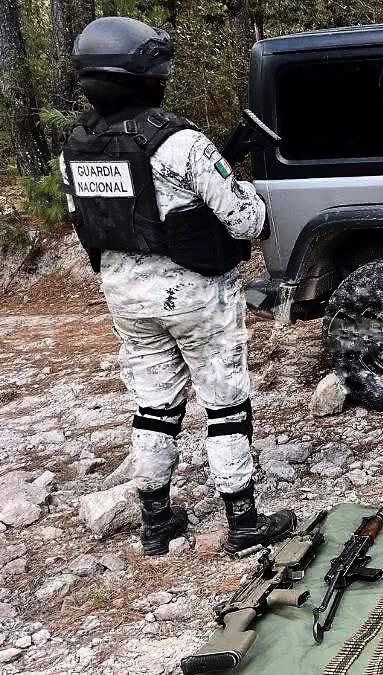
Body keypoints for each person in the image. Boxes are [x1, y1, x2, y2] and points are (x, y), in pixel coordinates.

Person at [61, 16, 295, 555]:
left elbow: (92, 217)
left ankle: (156, 520)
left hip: (125, 293)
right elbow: (245, 222)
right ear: (148, 77)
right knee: (224, 403)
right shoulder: (181, 141)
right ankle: (243, 521)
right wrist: (248, 192)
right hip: (194, 293)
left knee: (152, 404)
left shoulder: (75, 145)